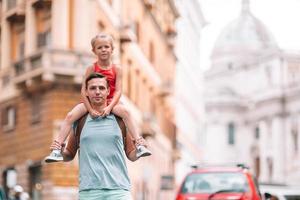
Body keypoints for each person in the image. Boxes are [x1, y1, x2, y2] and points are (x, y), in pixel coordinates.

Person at [45, 33, 151, 162]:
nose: (103, 50)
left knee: (126, 112)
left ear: (112, 49)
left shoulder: (117, 69)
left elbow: (118, 90)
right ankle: (57, 148)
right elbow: (83, 90)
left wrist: (109, 107)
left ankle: (139, 143)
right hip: (89, 103)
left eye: (106, 46)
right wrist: (89, 109)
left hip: (112, 101)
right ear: (94, 50)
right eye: (100, 47)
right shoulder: (91, 68)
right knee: (70, 116)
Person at [54, 73, 144, 199]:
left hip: (119, 191)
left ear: (108, 91)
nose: (97, 92)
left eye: (101, 88)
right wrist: (61, 152)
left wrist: (139, 150)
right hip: (89, 192)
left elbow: (131, 155)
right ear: (86, 92)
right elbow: (69, 154)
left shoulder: (120, 120)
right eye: (92, 88)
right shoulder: (80, 121)